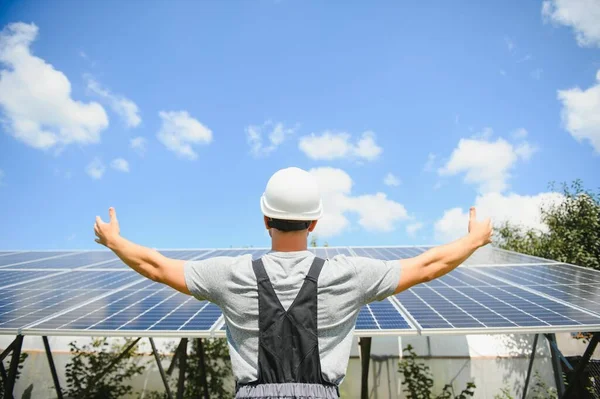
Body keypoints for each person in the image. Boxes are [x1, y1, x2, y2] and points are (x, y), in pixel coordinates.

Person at [94, 166, 492, 399]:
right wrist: (473, 239)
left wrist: (114, 240)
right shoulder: (347, 274)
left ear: (265, 219)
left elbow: (157, 266)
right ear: (314, 222)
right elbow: (428, 265)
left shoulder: (232, 275)